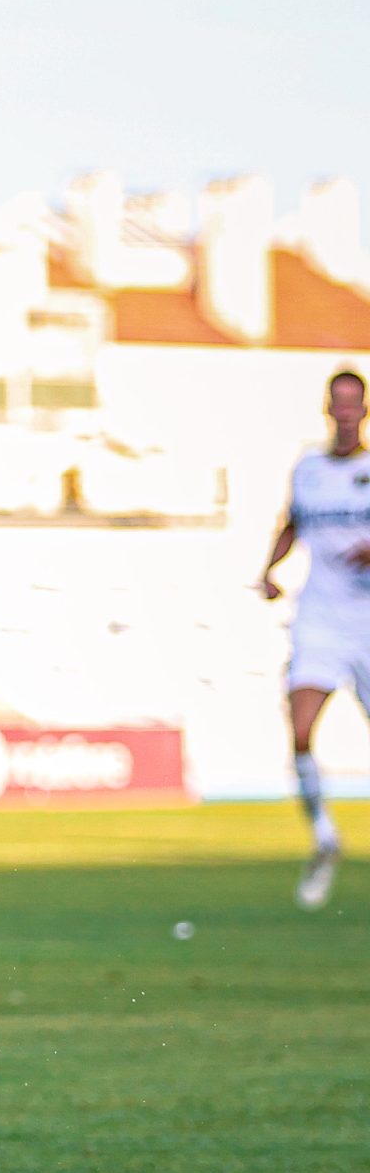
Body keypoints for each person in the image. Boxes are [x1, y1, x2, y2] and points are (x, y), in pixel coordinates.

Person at [259, 367, 370, 909]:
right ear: (328, 409)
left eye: (355, 403)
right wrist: (269, 570)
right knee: (299, 728)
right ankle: (325, 837)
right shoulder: (308, 468)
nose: (345, 412)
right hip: (322, 617)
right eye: (338, 403)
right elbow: (292, 525)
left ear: (365, 410)